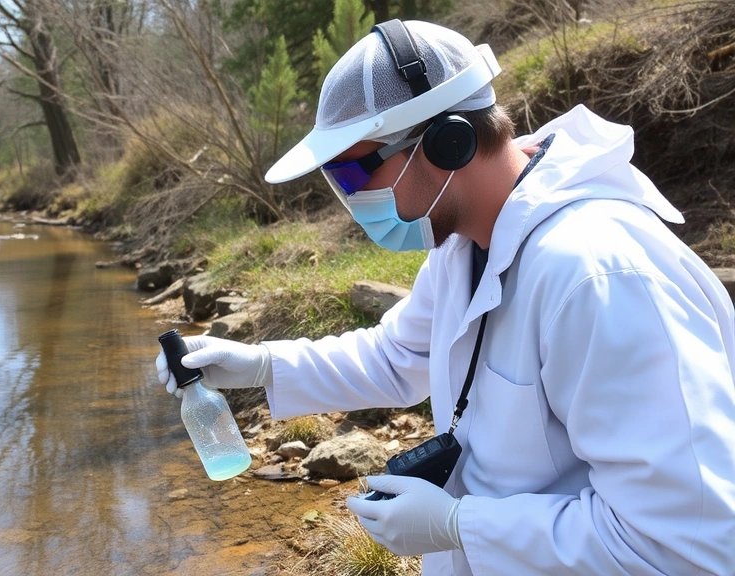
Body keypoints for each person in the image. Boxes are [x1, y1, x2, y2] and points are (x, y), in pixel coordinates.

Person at [155, 18, 735, 575]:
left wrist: (463, 525)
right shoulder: (464, 242)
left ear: (447, 143)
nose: (350, 201)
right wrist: (259, 364)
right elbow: (398, 357)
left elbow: (687, 545)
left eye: (353, 176)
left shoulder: (598, 278)